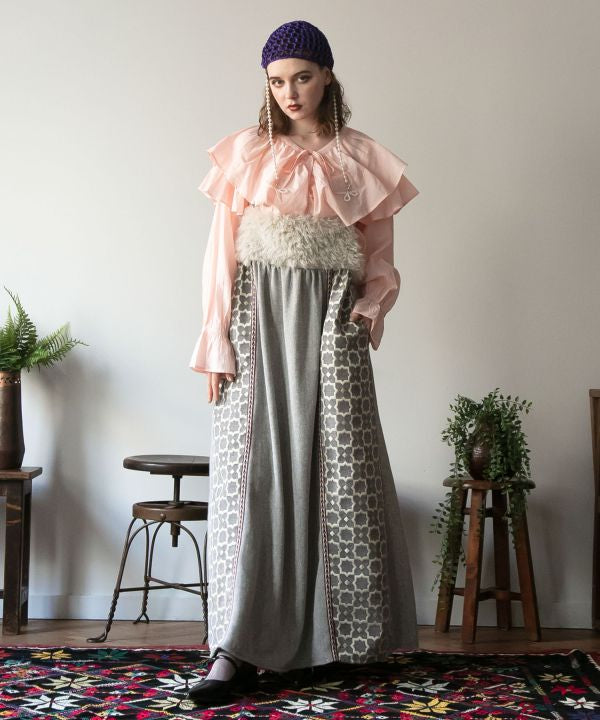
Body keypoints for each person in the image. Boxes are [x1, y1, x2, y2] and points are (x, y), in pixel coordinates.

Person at [186, 19, 420, 705]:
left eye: (303, 77)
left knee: (337, 470)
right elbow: (221, 255)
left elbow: (380, 255)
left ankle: (330, 639)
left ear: (327, 76)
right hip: (257, 320)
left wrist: (368, 310)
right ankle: (235, 647)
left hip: (331, 322)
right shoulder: (247, 153)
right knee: (252, 475)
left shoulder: (361, 157)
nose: (290, 92)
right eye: (278, 81)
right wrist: (215, 339)